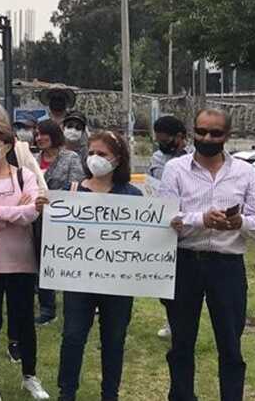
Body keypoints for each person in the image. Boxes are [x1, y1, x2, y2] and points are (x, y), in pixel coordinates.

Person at [159, 108, 255, 401]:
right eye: (201, 131)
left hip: (228, 265)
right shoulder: (175, 169)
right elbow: (166, 218)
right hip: (185, 262)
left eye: (215, 133)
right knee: (181, 343)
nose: (207, 138)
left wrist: (239, 222)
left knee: (231, 345)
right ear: (192, 132)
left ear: (227, 136)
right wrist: (200, 219)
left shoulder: (245, 172)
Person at [56, 131, 141, 401]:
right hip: (78, 281)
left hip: (118, 284)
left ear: (118, 159)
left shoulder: (134, 196)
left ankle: (110, 394)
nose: (95, 158)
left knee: (114, 340)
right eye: (91, 153)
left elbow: (144, 239)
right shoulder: (72, 192)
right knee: (72, 337)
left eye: (102, 154)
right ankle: (66, 393)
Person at [0, 122, 48, 401]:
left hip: (22, 261)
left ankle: (30, 375)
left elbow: (32, 213)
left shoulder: (24, 175)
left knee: (24, 320)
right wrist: (13, 210)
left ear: (8, 145)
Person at [34, 118, 83, 326]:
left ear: (53, 135)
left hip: (62, 219)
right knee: (40, 262)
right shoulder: (33, 158)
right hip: (36, 218)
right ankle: (47, 307)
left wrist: (53, 197)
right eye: (36, 134)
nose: (38, 138)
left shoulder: (70, 157)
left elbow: (77, 185)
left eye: (42, 133)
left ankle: (77, 304)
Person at [149, 113, 191, 340]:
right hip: (165, 224)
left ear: (180, 137)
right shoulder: (157, 158)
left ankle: (181, 323)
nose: (162, 143)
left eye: (166, 139)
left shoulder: (195, 157)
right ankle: (170, 320)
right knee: (166, 278)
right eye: (159, 139)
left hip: (189, 223)